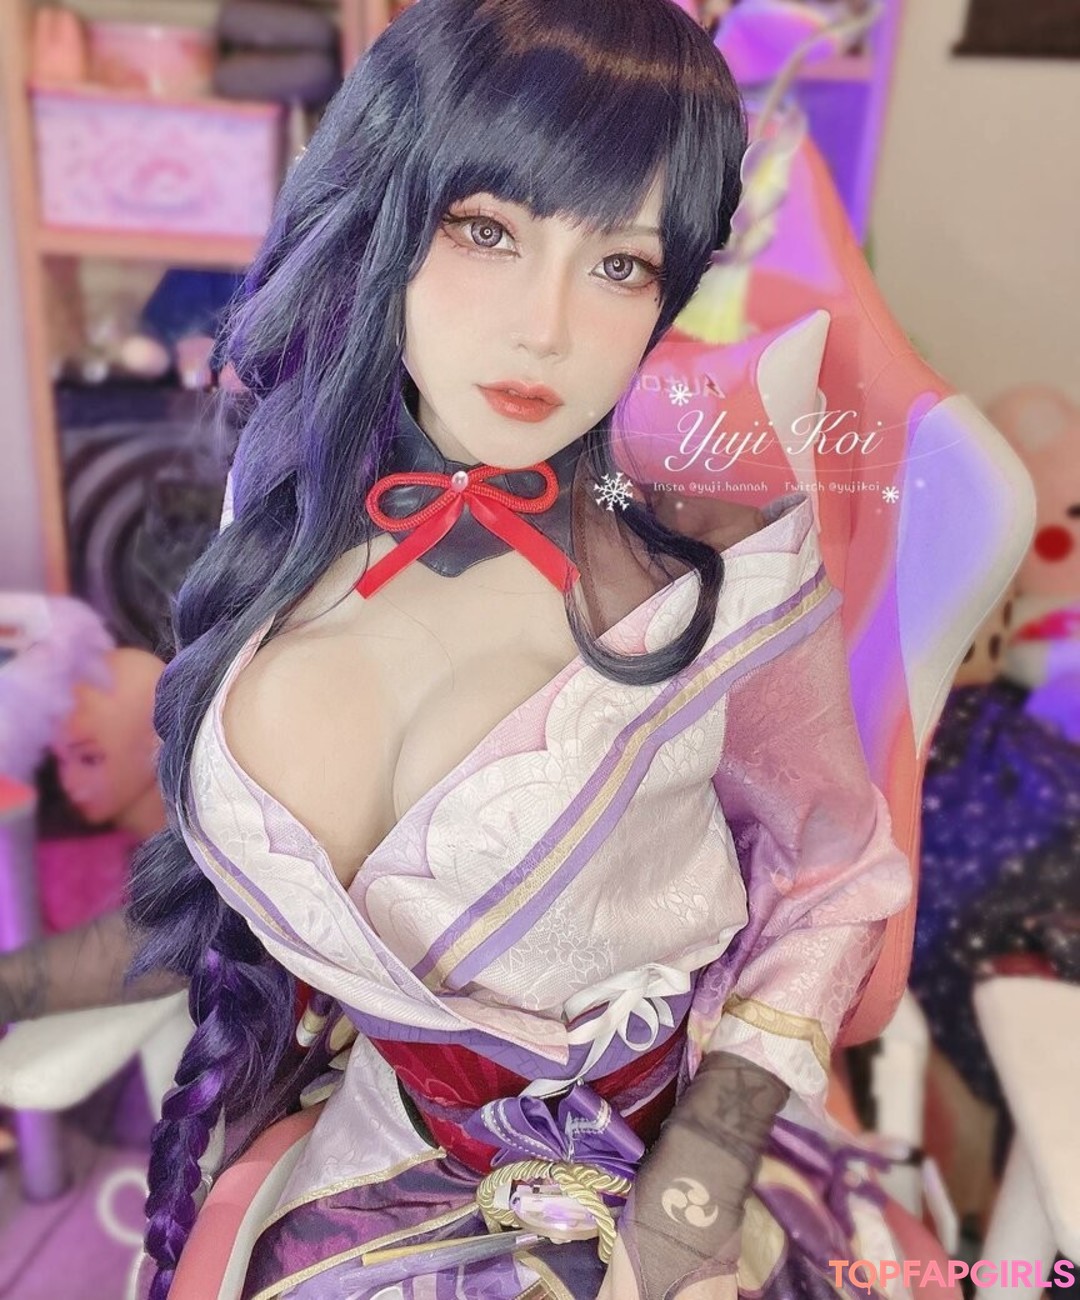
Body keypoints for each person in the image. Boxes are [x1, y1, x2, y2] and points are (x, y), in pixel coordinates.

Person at [128, 1, 912, 1297]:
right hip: (376, 1163)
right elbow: (212, 900)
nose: (546, 329)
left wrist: (699, 1184)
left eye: (623, 265)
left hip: (664, 1186)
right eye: (487, 229)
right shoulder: (275, 517)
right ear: (383, 211)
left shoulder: (714, 577)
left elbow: (833, 873)